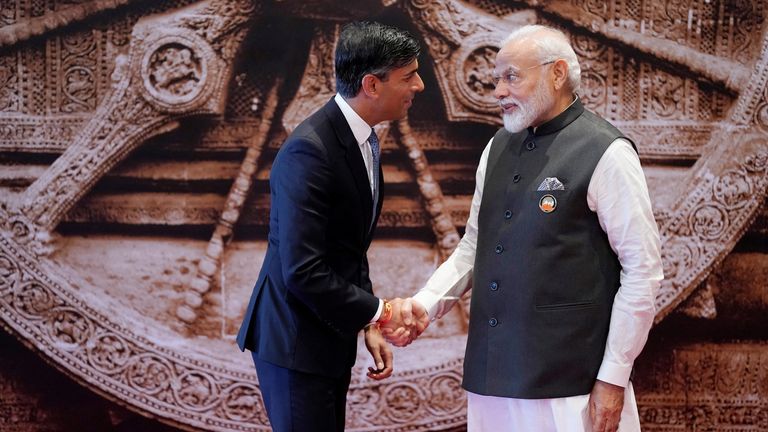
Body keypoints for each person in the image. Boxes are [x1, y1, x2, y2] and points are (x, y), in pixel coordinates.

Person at [390, 25, 663, 432]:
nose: (497, 89)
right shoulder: (497, 146)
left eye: (511, 76)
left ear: (556, 74)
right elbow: (474, 247)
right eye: (496, 77)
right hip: (491, 380)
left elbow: (643, 272)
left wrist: (613, 376)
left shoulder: (607, 152)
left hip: (571, 387)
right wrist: (426, 304)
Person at [236, 21, 428, 432]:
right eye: (409, 76)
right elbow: (303, 270)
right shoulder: (310, 151)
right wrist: (382, 310)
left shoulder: (362, 139)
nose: (420, 85)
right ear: (372, 85)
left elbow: (347, 250)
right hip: (294, 344)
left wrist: (367, 322)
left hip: (325, 337)